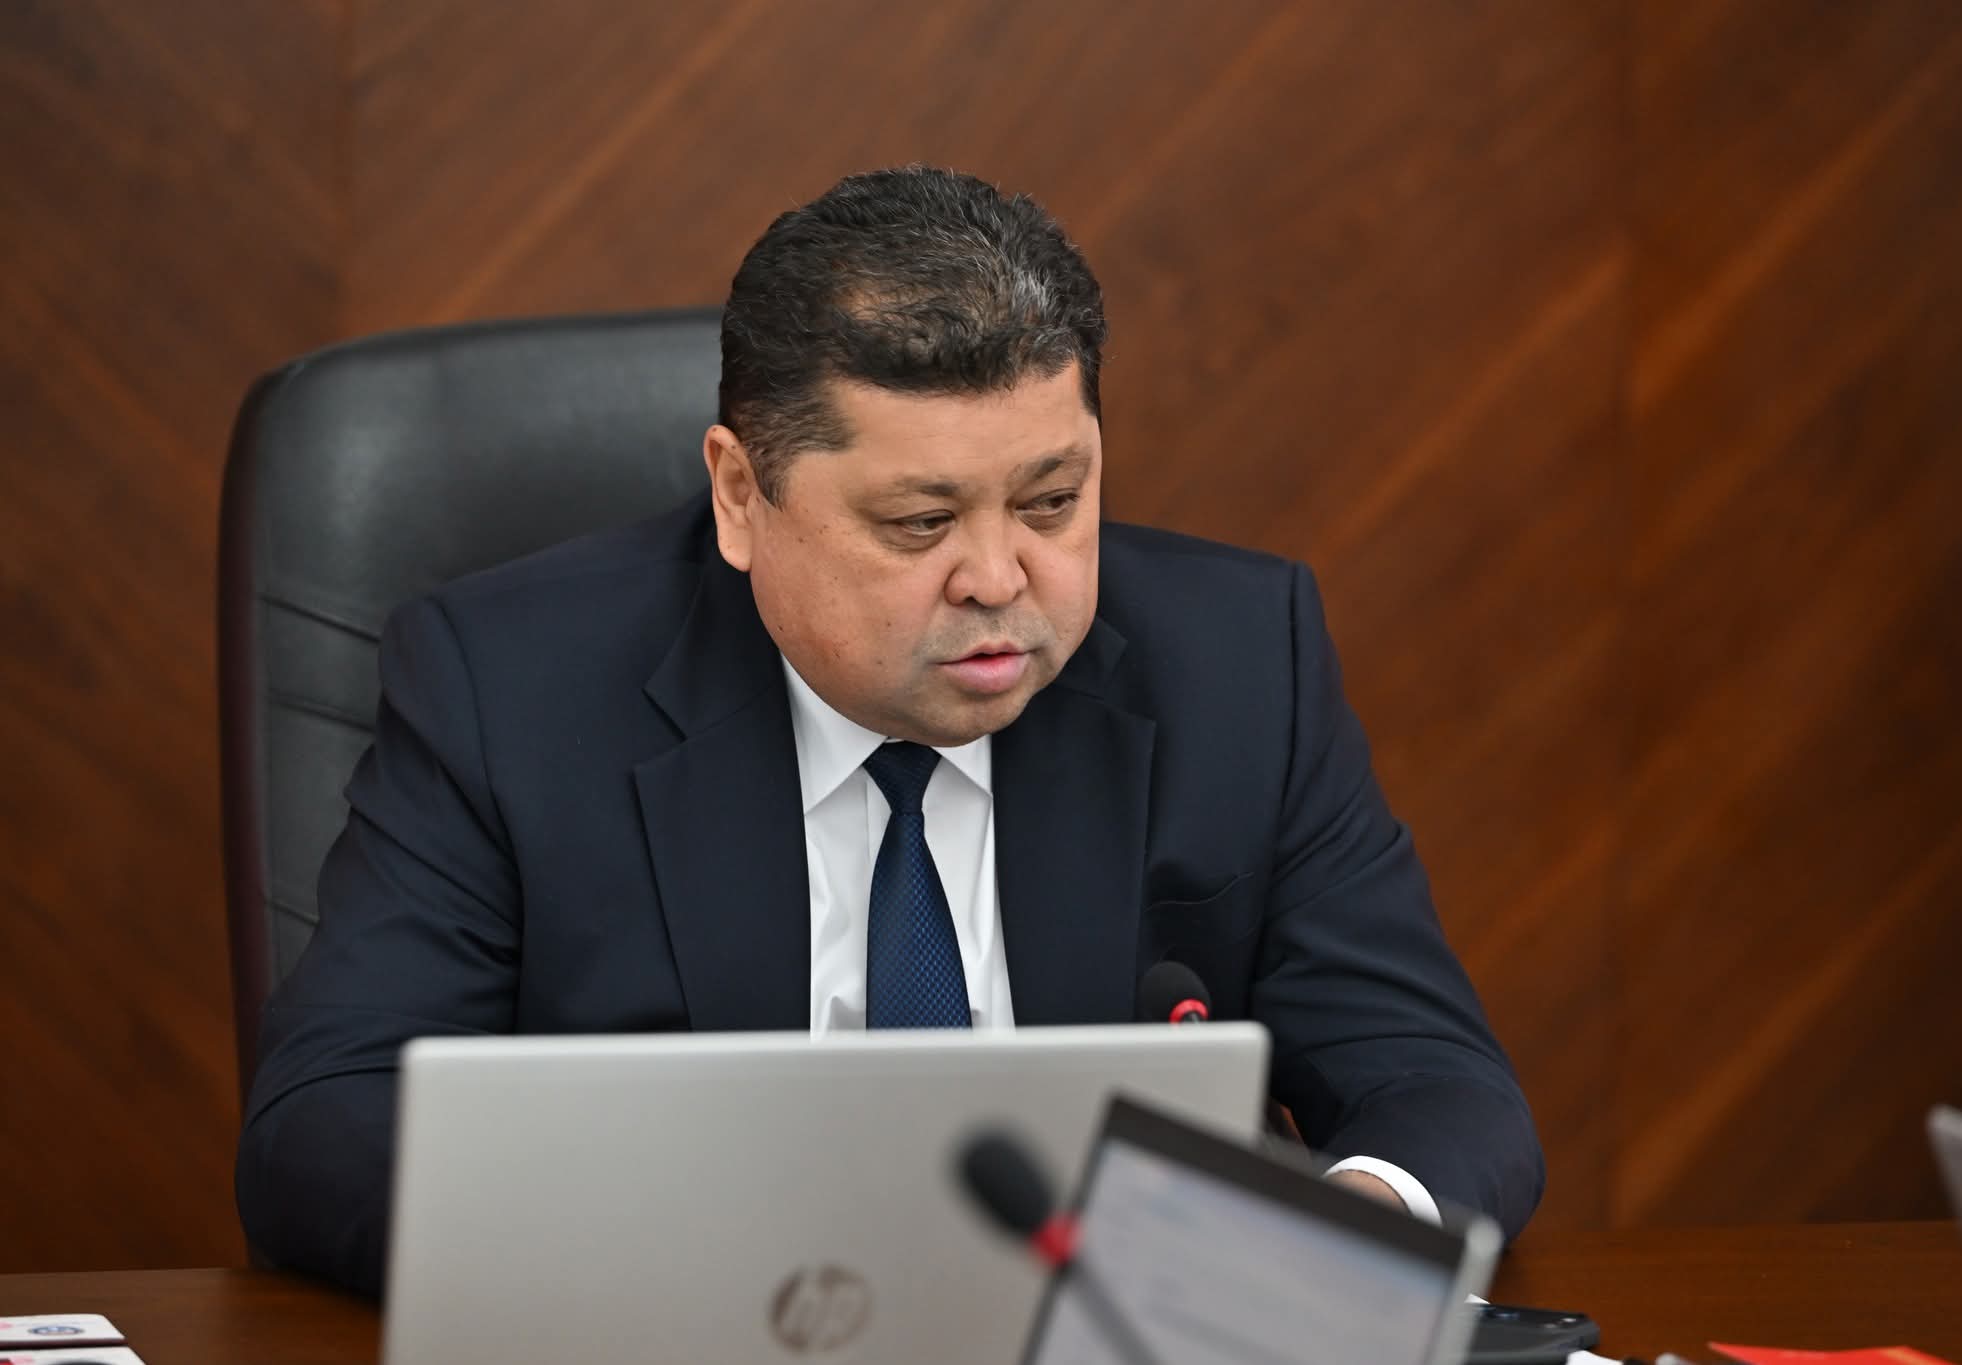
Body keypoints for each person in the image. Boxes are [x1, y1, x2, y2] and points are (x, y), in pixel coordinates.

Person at [237, 166, 1543, 1298]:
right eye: (922, 522)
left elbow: (1439, 1085)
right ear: (740, 495)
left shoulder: (1239, 666)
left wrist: (1333, 1239)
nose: (1000, 577)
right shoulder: (513, 687)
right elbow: (324, 1124)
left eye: (1052, 500)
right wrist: (678, 1267)